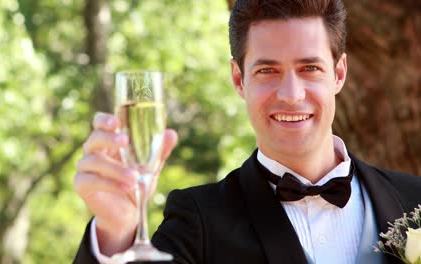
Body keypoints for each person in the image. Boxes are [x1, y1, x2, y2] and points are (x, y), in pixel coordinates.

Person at [73, 0, 421, 263]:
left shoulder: (415, 199)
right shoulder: (198, 220)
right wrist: (115, 232)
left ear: (339, 74)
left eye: (310, 68)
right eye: (267, 70)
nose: (291, 94)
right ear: (239, 79)